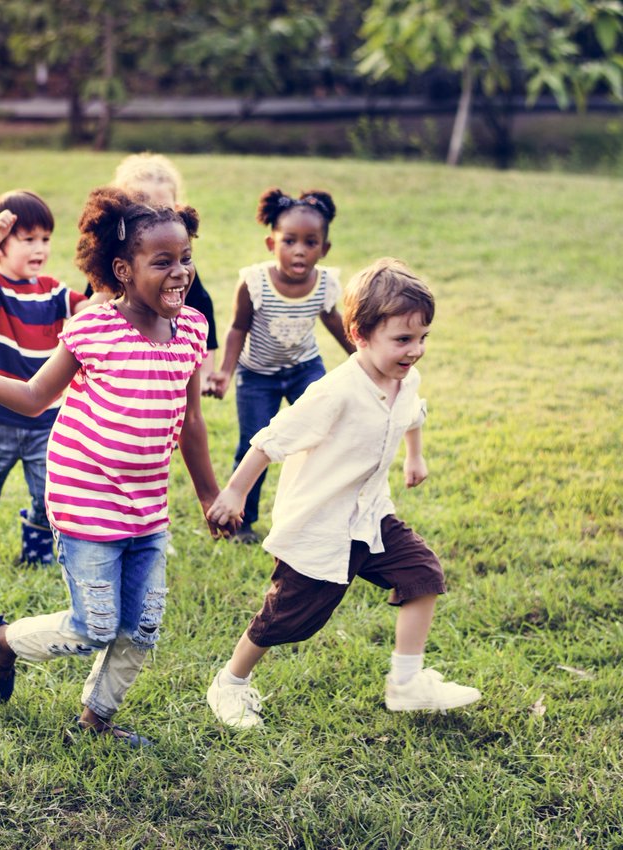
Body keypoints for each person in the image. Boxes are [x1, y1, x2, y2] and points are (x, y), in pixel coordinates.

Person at [0, 187, 225, 748]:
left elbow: (191, 419)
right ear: (122, 270)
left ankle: (95, 723)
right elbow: (36, 398)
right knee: (95, 627)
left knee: (143, 628)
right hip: (85, 501)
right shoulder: (94, 329)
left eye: (186, 258)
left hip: (147, 508)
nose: (180, 272)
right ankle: (2, 641)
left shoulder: (192, 330)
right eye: (162, 262)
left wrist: (209, 497)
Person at [205, 258, 480, 728]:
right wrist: (233, 493)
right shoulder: (334, 392)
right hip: (322, 524)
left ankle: (407, 684)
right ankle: (229, 684)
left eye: (422, 338)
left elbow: (412, 412)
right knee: (288, 618)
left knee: (421, 574)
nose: (414, 351)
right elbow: (271, 440)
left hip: (371, 515)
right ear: (359, 334)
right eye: (402, 339)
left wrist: (415, 457)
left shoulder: (403, 377)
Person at [0, 190, 88, 584]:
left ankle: (37, 551)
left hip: (46, 417)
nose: (39, 247)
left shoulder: (55, 291)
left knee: (49, 493)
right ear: (0, 249)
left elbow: (93, 310)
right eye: (27, 239)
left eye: (45, 238)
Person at [211, 188, 355, 544]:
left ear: (324, 249)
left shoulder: (324, 284)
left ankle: (318, 514)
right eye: (289, 241)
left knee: (323, 436)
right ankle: (241, 519)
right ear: (270, 243)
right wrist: (226, 371)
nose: (300, 250)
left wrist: (365, 358)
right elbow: (237, 328)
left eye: (311, 242)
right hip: (257, 376)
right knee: (253, 444)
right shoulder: (254, 282)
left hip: (305, 369)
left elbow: (334, 323)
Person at [82, 153, 219, 395]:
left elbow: (203, 314)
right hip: (121, 370)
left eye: (163, 209)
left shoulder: (177, 272)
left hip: (165, 371)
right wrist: (106, 291)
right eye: (141, 208)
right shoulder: (113, 266)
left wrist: (207, 373)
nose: (153, 218)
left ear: (178, 210)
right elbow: (85, 317)